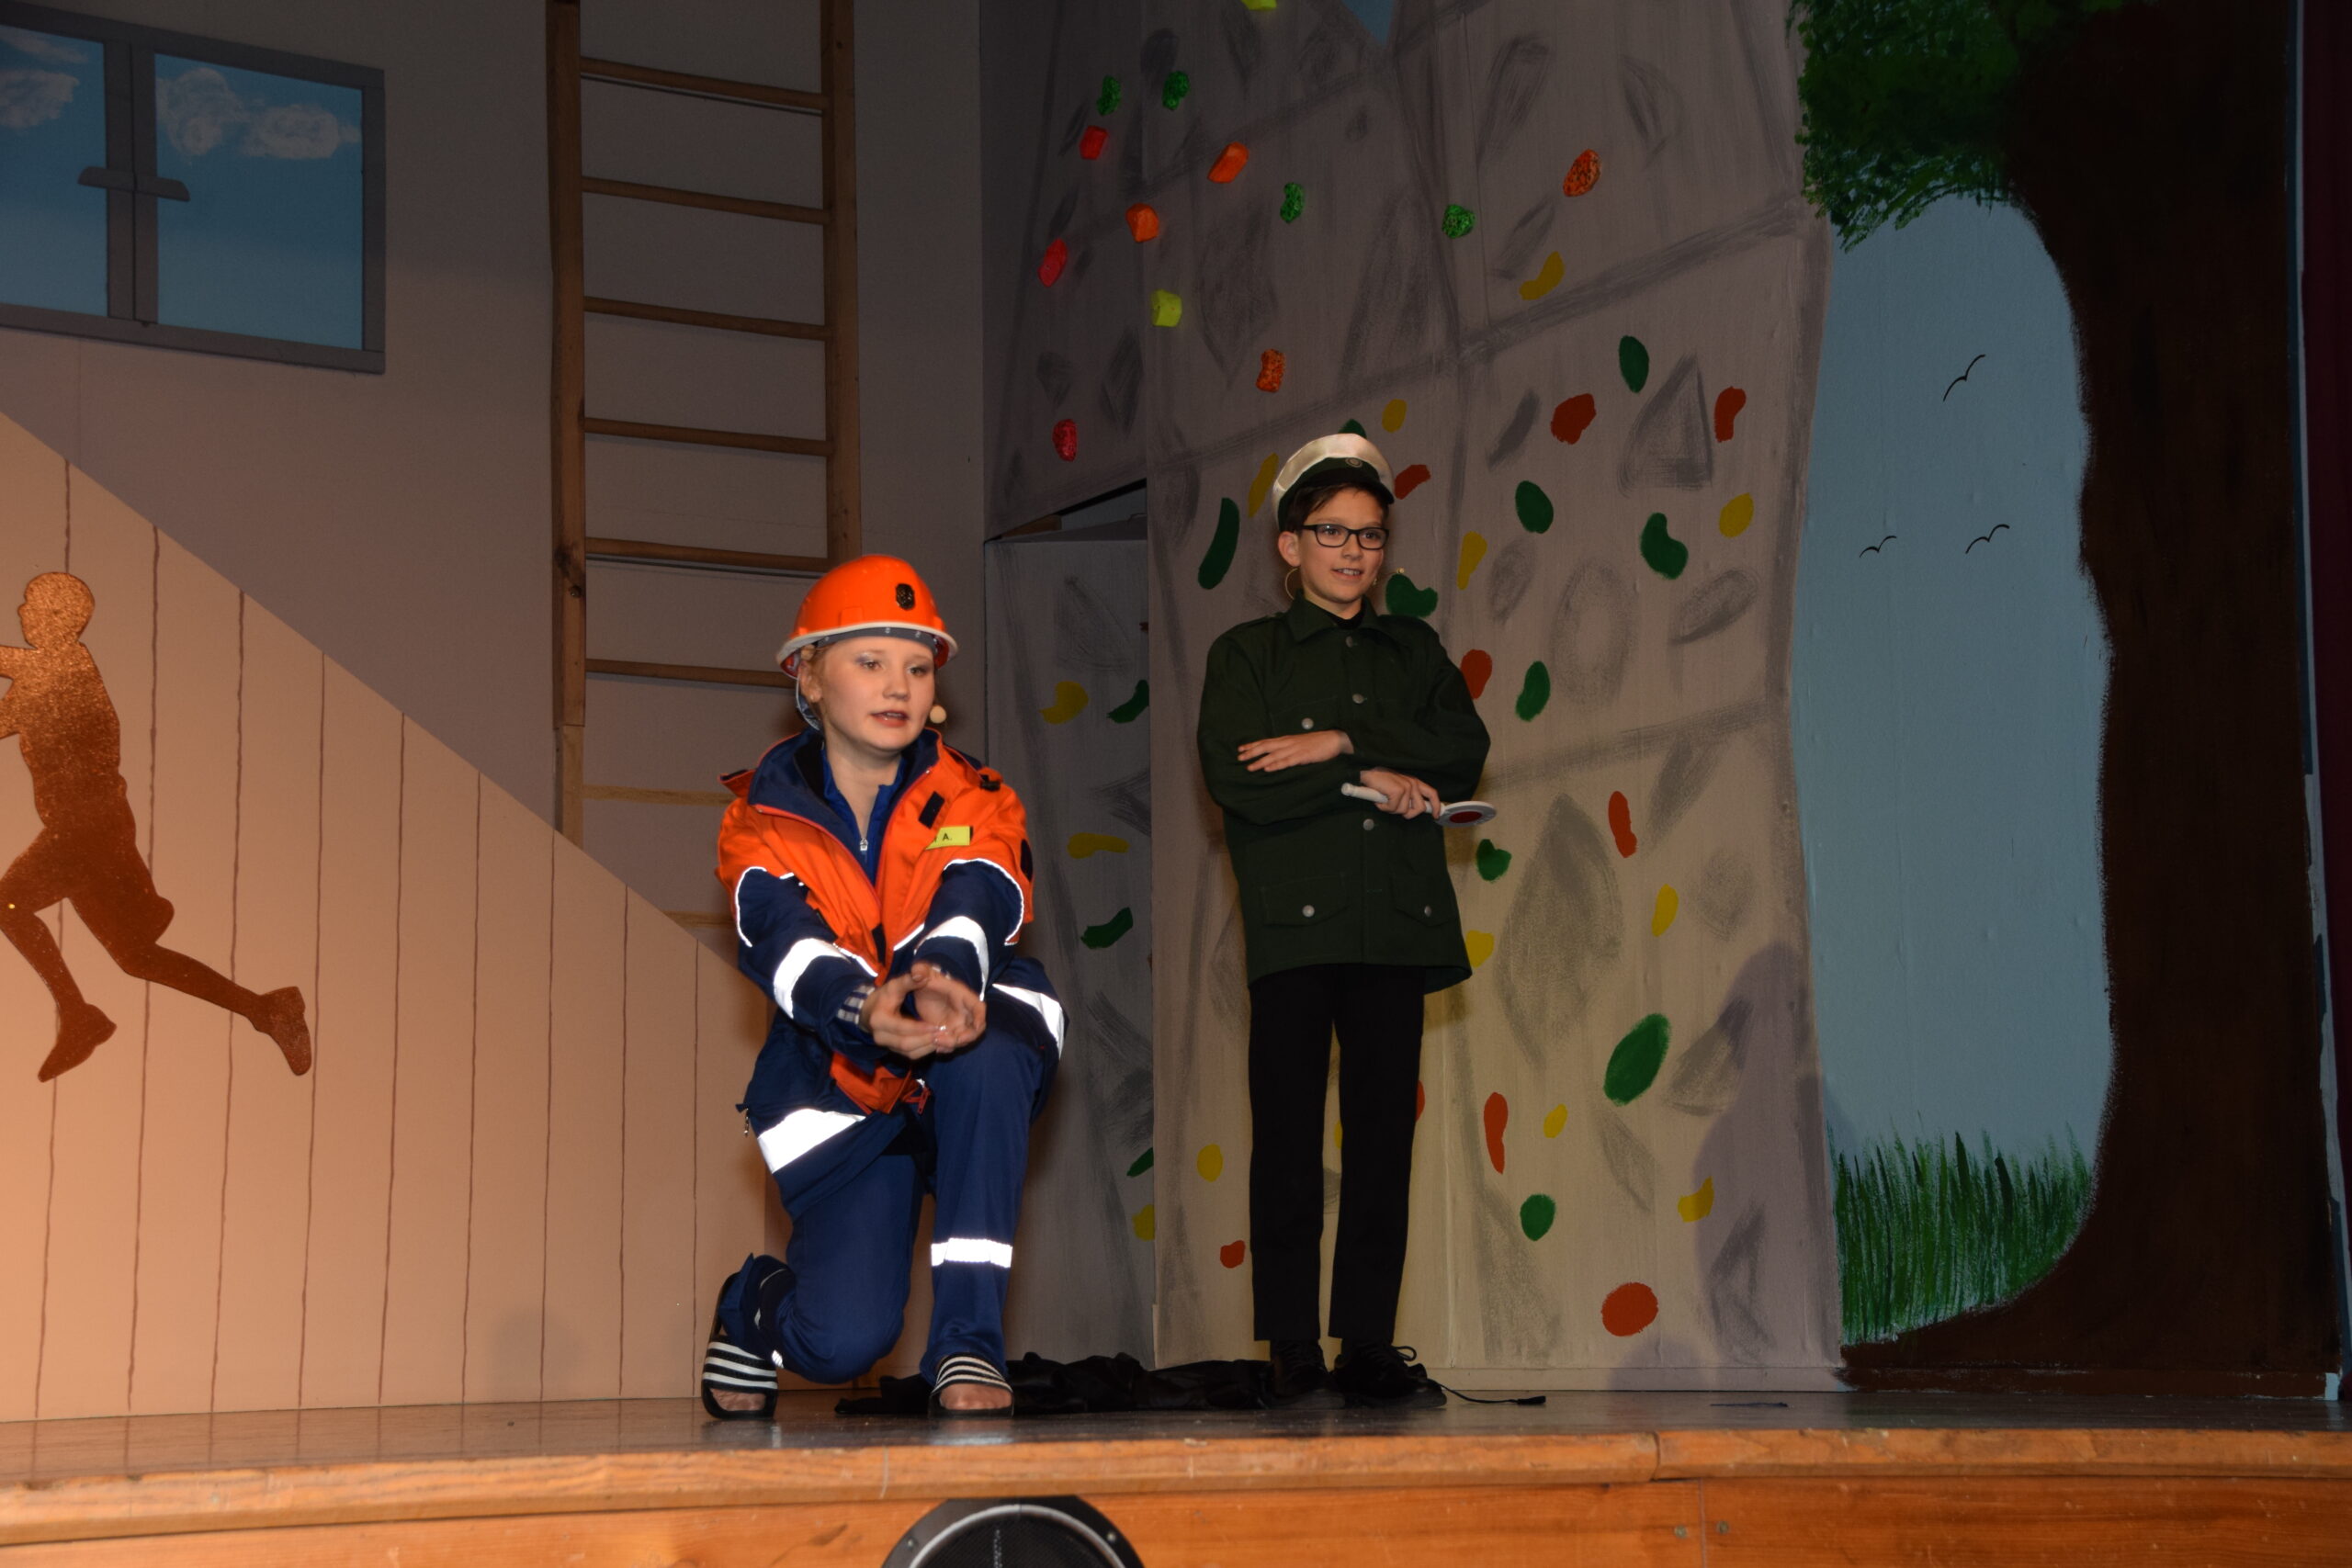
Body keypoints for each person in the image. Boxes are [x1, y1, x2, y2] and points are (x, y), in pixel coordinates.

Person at [702, 556, 1061, 1419]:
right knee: (842, 1342)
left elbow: (981, 892)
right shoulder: (756, 821)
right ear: (808, 675)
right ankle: (753, 1305)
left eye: (918, 666)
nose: (899, 685)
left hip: (962, 1033)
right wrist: (865, 1008)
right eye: (870, 661)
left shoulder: (979, 795)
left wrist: (941, 981)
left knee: (985, 1055)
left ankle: (968, 1345)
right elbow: (785, 944)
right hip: (844, 1079)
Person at [1194, 434, 1490, 1404]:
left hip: (1394, 923)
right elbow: (1240, 779)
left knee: (1381, 1140)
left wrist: (1340, 738)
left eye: (1370, 534)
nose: (1354, 551)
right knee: (1286, 1136)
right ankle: (1290, 1342)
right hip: (1294, 927)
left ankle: (1366, 1342)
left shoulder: (1415, 649)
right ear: (1290, 546)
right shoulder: (1247, 654)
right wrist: (1370, 776)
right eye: (1332, 532)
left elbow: (1462, 749)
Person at [0, 571, 309, 1082]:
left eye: (31, 604)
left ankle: (78, 1015)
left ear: (59, 618)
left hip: (85, 828)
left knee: (7, 902)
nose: (20, 611)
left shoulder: (67, 665)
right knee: (137, 956)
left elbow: (14, 664)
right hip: (98, 831)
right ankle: (265, 1008)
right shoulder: (38, 683)